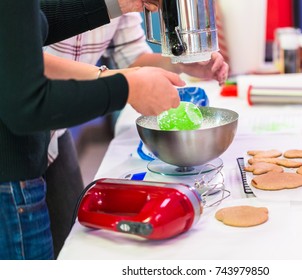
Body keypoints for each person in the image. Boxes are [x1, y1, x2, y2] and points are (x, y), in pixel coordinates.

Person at [0, 0, 187, 260]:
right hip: (13, 165)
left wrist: (119, 5)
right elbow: (26, 96)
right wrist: (125, 86)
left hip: (40, 140)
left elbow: (38, 24)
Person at [43, 12, 229, 258]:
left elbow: (132, 57)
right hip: (19, 137)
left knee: (72, 247)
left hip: (54, 133)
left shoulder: (121, 10)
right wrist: (120, 82)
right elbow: (23, 63)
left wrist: (180, 62)